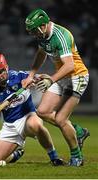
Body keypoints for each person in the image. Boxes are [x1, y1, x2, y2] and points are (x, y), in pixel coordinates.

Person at [22, 9, 90, 166]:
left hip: (76, 76)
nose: (33, 34)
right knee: (42, 112)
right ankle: (78, 132)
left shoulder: (61, 35)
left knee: (60, 119)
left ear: (44, 25)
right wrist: (31, 74)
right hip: (63, 76)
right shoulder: (42, 35)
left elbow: (70, 65)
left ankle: (77, 158)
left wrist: (51, 80)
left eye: (34, 30)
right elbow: (41, 53)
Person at [0, 53, 65, 166]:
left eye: (0, 72)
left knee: (36, 124)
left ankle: (54, 157)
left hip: (28, 118)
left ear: (6, 68)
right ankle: (15, 155)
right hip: (10, 127)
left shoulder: (19, 76)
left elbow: (45, 77)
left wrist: (40, 80)